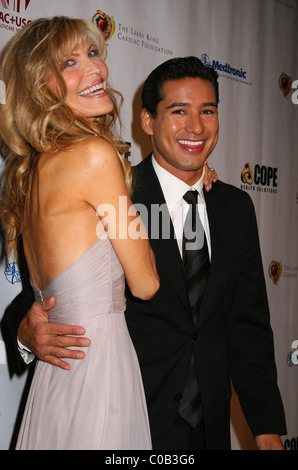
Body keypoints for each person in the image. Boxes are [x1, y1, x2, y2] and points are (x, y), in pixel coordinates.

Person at [3, 56, 286, 450]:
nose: (196, 127)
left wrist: (266, 429)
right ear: (148, 121)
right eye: (179, 111)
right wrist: (24, 330)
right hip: (129, 417)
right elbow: (38, 289)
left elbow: (248, 325)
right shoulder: (113, 192)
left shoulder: (235, 209)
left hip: (211, 429)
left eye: (208, 111)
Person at [0, 16, 162, 450]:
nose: (95, 70)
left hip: (54, 379)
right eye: (70, 62)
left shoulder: (28, 176)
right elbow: (146, 283)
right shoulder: (94, 155)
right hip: (99, 369)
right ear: (40, 87)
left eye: (93, 54)